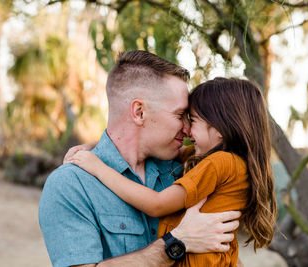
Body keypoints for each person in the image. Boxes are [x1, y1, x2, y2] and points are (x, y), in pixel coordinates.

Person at [38, 51, 242, 267]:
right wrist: (177, 243)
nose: (187, 128)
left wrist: (92, 145)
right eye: (179, 115)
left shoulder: (188, 170)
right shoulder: (71, 185)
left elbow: (227, 255)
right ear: (139, 112)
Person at [66, 77, 277, 266]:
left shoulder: (220, 163)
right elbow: (173, 145)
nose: (187, 129)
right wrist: (98, 146)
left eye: (192, 120)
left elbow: (156, 204)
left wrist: (98, 168)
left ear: (220, 130)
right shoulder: (234, 163)